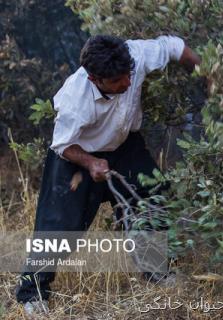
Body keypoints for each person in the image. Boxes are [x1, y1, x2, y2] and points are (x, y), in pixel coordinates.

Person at [15, 34, 201, 316]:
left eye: (129, 75)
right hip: (77, 154)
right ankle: (32, 292)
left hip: (124, 145)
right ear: (95, 79)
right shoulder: (74, 99)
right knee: (60, 226)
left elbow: (175, 47)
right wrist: (90, 163)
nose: (127, 84)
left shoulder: (135, 55)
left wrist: (209, 76)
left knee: (153, 197)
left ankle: (156, 272)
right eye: (117, 81)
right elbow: (63, 144)